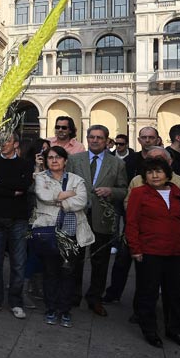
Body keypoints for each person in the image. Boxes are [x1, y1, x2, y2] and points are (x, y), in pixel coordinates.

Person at [127, 157, 180, 349]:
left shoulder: (177, 192)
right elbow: (131, 223)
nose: (154, 175)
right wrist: (135, 249)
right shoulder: (139, 193)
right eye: (150, 172)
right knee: (148, 293)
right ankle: (150, 330)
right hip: (150, 251)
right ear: (145, 176)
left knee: (175, 294)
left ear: (167, 174)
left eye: (158, 171)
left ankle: (175, 330)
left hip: (177, 251)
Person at [66, 124, 128, 316]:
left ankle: (95, 298)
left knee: (100, 262)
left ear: (106, 141)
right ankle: (73, 295)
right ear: (87, 138)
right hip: (78, 216)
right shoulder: (75, 160)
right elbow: (64, 182)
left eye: (99, 138)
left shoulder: (117, 164)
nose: (94, 140)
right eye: (91, 137)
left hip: (103, 218)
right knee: (75, 260)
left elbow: (124, 190)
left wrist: (111, 191)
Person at [31, 146, 94, 328]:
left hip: (72, 233)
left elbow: (81, 201)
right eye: (50, 158)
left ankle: (65, 310)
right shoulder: (40, 178)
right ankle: (51, 308)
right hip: (48, 232)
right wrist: (67, 195)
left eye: (58, 157)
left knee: (69, 273)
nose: (54, 160)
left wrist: (59, 200)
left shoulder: (76, 179)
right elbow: (43, 196)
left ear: (65, 161)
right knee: (50, 272)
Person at [0, 131, 34, 319]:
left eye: (7, 141)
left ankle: (16, 302)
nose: (3, 144)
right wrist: (12, 191)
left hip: (18, 220)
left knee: (18, 264)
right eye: (1, 141)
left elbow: (24, 185)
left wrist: (0, 184)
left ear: (16, 144)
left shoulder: (25, 164)